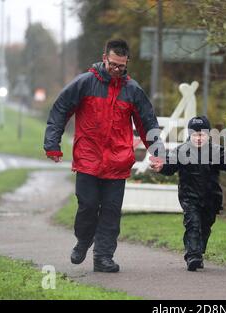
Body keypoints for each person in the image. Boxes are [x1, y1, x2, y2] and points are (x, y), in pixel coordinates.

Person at [44, 39, 163, 273]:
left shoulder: (133, 90)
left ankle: (103, 257)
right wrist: (52, 144)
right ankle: (84, 239)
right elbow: (60, 110)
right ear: (104, 58)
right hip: (88, 159)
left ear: (127, 62)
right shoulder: (84, 83)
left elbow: (147, 122)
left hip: (118, 162)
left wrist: (157, 153)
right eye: (112, 65)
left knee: (110, 212)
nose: (116, 70)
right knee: (87, 206)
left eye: (121, 66)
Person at [150, 116, 226, 271]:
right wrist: (162, 166)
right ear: (189, 135)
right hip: (189, 196)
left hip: (211, 198)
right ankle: (193, 255)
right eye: (195, 134)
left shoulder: (216, 151)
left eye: (202, 134)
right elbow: (170, 164)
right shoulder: (181, 151)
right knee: (193, 223)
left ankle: (198, 251)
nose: (198, 137)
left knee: (205, 226)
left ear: (208, 135)